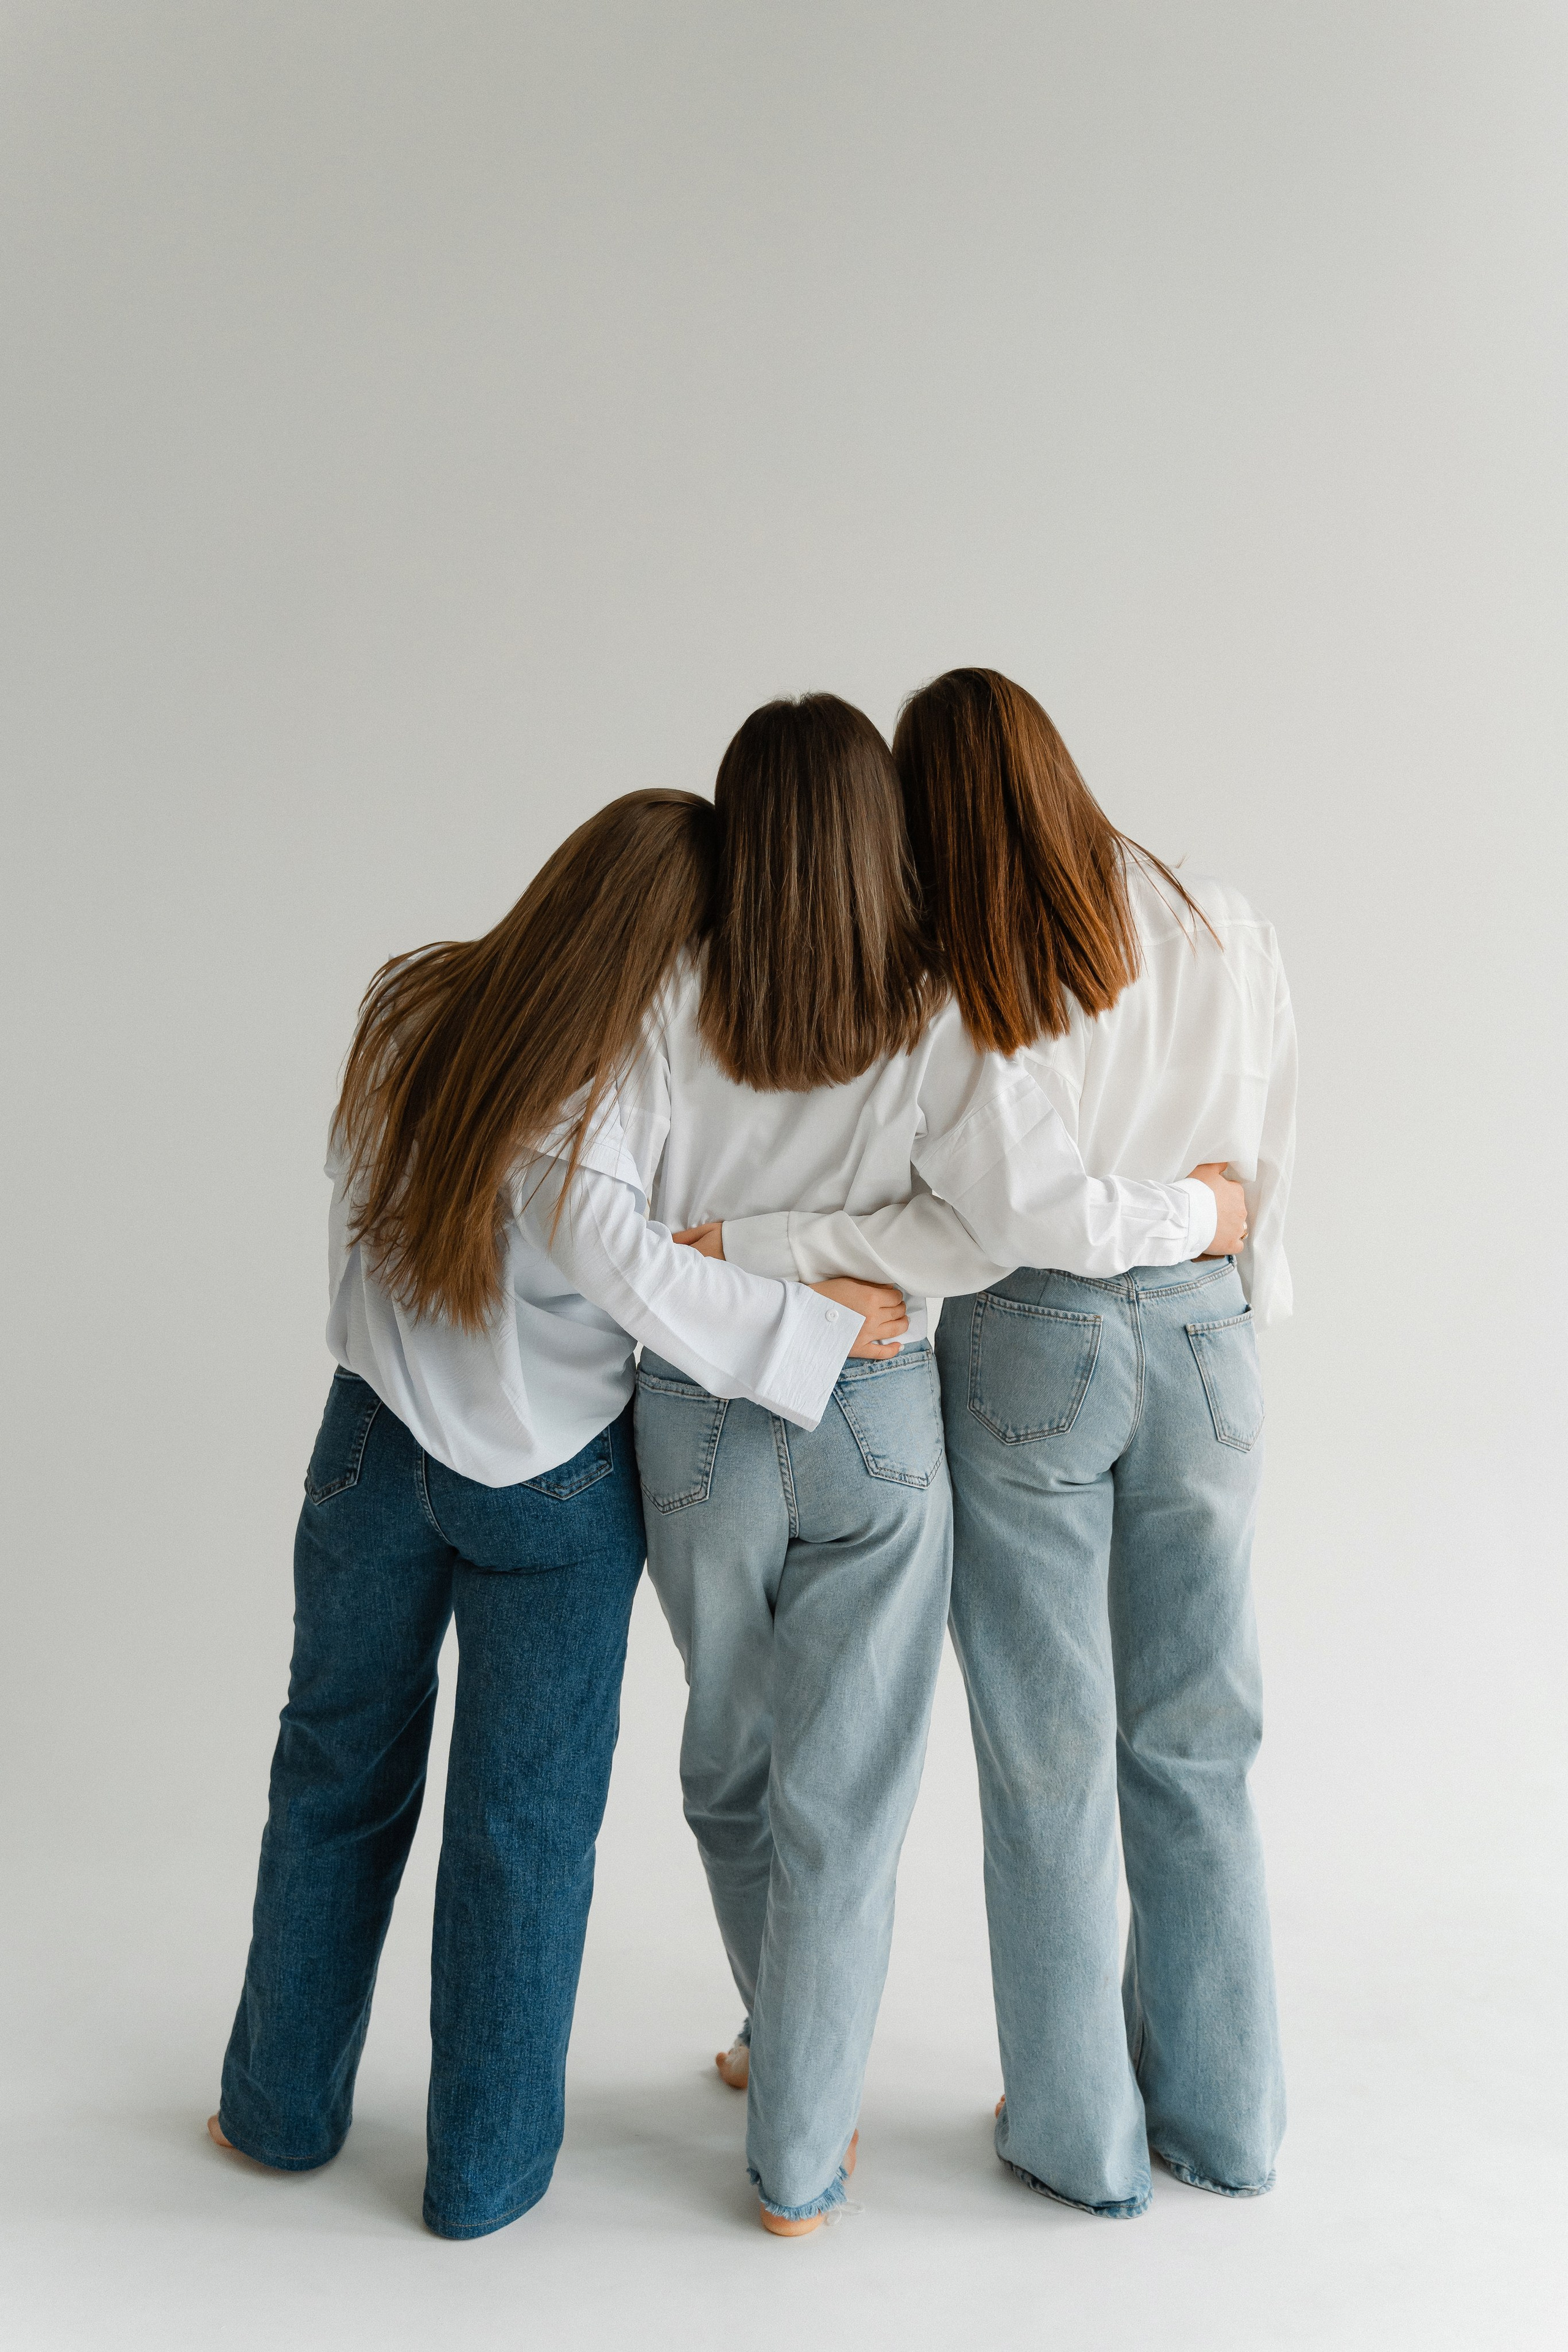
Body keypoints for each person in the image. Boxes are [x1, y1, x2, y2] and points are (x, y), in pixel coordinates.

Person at [209, 788, 908, 2241]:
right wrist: (825, 1328)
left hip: (368, 1446)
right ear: (672, 941)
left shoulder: (411, 1001)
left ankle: (275, 2116)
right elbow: (641, 1279)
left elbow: (356, 1210)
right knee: (520, 1838)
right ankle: (482, 2180)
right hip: (550, 1493)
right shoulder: (619, 1089)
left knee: (329, 1779)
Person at [631, 695, 1246, 2234]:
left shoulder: (690, 990)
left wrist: (749, 1257)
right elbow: (1004, 1227)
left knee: (757, 1768)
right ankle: (827, 2149)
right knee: (1110, 1756)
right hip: (954, 1387)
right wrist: (1220, 1231)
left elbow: (627, 1224)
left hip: (744, 1402)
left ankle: (899, 2079)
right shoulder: (983, 992)